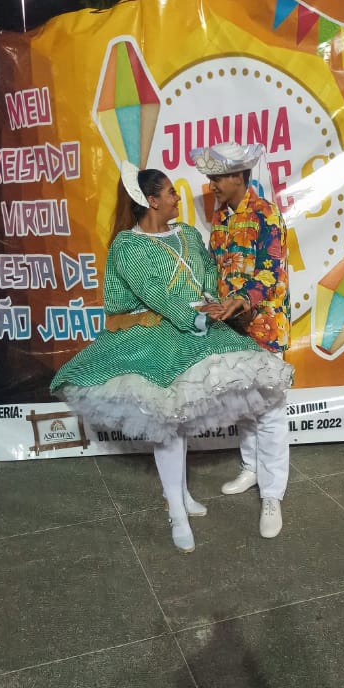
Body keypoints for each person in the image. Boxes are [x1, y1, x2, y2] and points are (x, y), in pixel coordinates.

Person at [51, 163, 293, 553]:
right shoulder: (128, 246)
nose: (177, 196)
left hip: (199, 331)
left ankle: (232, 492)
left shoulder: (190, 234)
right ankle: (176, 510)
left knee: (246, 398)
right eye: (169, 192)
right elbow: (154, 293)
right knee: (168, 422)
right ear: (151, 201)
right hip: (151, 337)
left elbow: (209, 273)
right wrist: (194, 316)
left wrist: (213, 304)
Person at [192, 142, 291, 539]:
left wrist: (242, 300)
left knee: (270, 411)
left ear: (238, 176)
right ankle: (251, 468)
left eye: (217, 177)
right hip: (232, 330)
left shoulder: (267, 214)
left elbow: (269, 272)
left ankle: (273, 494)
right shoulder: (221, 218)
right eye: (210, 178)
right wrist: (210, 300)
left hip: (264, 327)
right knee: (244, 405)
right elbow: (218, 269)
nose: (212, 184)